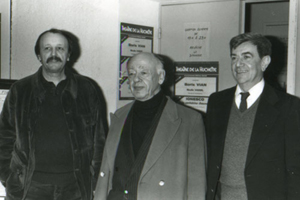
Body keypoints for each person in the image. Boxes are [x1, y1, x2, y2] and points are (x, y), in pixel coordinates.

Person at [0, 28, 108, 200]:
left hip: (76, 189)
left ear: (69, 55)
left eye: (60, 48)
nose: (54, 53)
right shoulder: (20, 91)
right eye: (47, 48)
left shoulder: (87, 89)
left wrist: (95, 184)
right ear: (39, 56)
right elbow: (4, 139)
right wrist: (10, 178)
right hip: (29, 190)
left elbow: (100, 143)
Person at [94, 52, 206, 200]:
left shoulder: (190, 120)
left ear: (161, 77)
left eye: (144, 72)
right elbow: (106, 174)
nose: (136, 79)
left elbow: (197, 184)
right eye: (131, 73)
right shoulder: (119, 116)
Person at [206, 32, 300, 200]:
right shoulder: (217, 102)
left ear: (264, 62)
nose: (238, 64)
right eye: (234, 58)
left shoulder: (289, 106)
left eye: (246, 57)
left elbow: (295, 169)